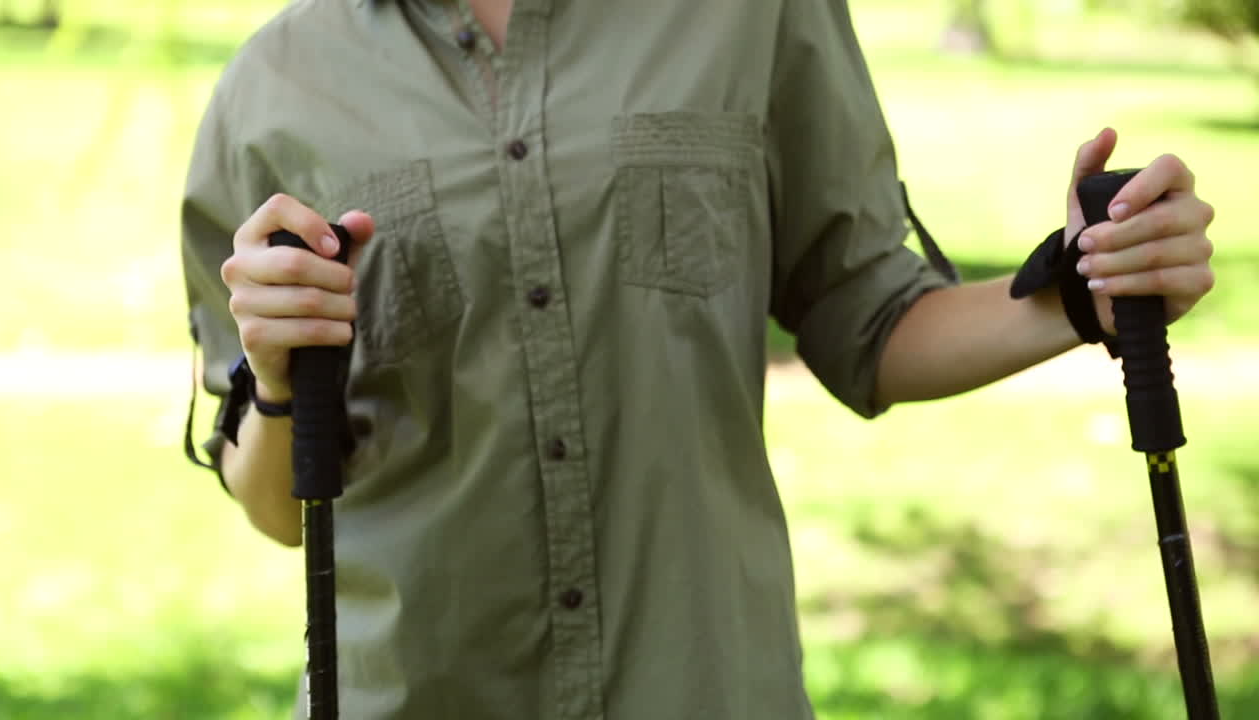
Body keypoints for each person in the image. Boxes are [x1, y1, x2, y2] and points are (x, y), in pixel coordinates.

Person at [180, 1, 1217, 718]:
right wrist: (275, 379)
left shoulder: (745, 17)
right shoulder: (276, 88)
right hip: (413, 696)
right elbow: (278, 505)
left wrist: (1082, 294)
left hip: (707, 686)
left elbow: (867, 316)